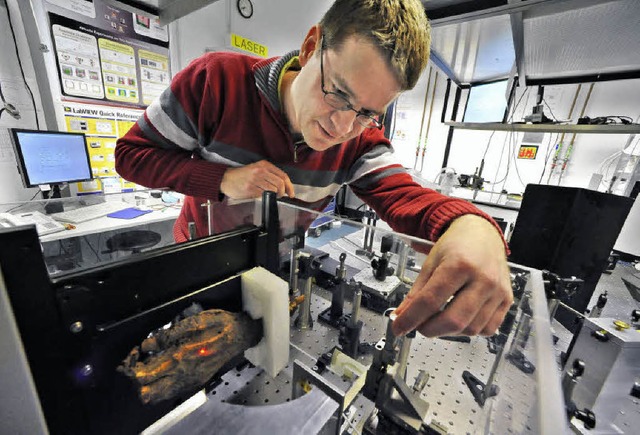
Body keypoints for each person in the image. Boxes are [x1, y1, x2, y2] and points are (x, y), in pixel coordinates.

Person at [115, 0, 512, 338]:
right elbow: (131, 155)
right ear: (309, 48)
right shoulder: (215, 82)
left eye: (367, 113)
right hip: (199, 268)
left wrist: (473, 227)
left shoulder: (360, 144)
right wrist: (222, 179)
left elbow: (407, 197)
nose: (341, 128)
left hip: (276, 272)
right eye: (338, 93)